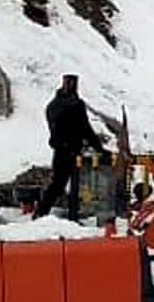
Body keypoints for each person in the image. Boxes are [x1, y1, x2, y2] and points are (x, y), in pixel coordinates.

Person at [35, 74, 106, 218]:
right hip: (70, 149)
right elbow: (85, 128)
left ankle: (42, 212)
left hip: (60, 149)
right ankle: (67, 214)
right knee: (67, 182)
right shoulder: (75, 104)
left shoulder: (53, 104)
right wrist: (99, 149)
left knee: (58, 183)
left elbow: (56, 126)